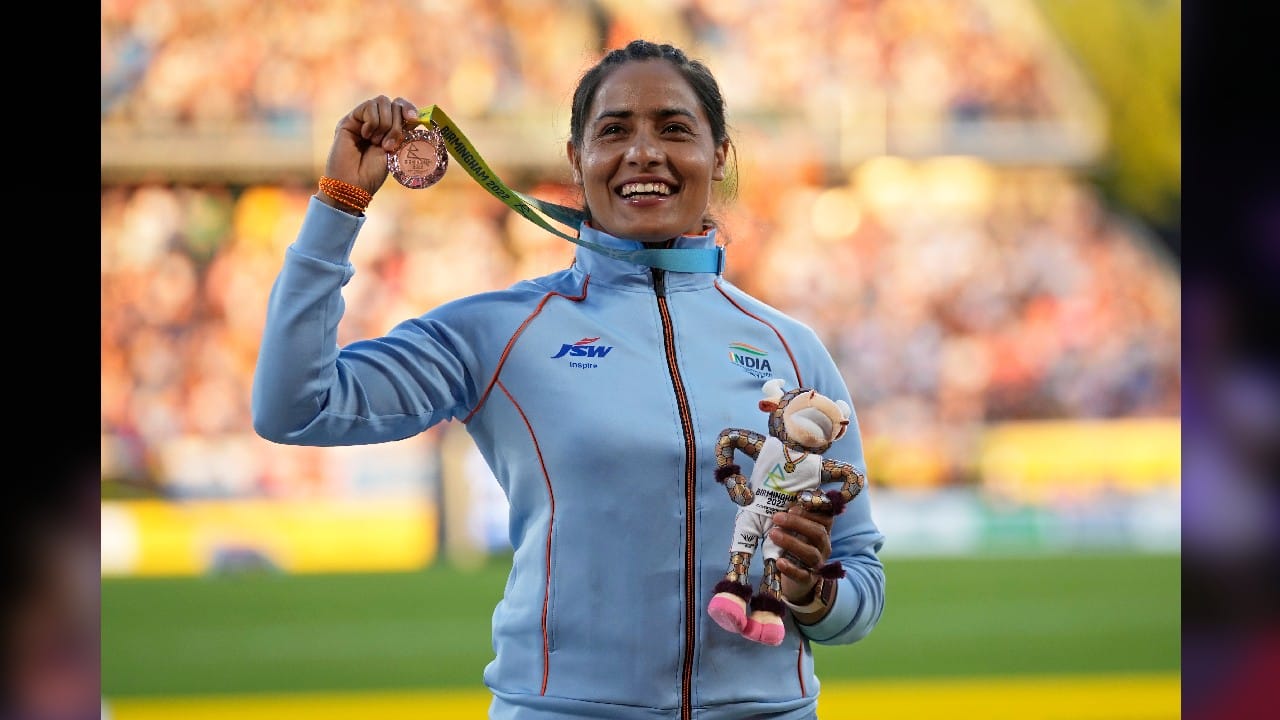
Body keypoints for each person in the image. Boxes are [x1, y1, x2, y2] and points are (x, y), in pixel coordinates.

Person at [252, 39, 885, 719]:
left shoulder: (792, 349)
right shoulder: (501, 331)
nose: (643, 151)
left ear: (720, 154)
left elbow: (861, 590)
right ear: (577, 158)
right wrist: (340, 204)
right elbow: (294, 406)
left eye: (674, 128)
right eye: (614, 130)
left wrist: (814, 594)